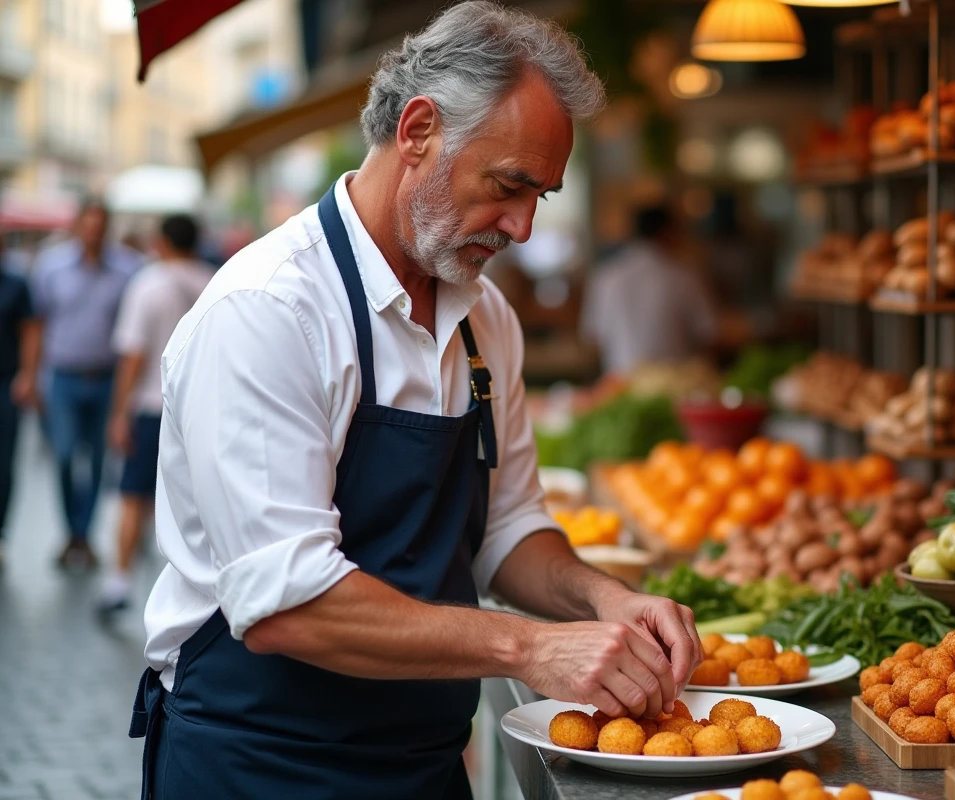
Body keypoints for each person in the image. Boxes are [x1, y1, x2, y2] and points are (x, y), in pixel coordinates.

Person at [129, 4, 702, 799]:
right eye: (509, 186)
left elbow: (507, 531)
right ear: (419, 130)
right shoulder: (268, 310)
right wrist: (529, 649)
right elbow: (287, 606)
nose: (525, 227)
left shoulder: (484, 318)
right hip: (258, 764)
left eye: (542, 195)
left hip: (422, 766)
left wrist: (607, 597)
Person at [97, 215, 213, 613]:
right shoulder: (214, 280)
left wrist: (118, 413)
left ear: (161, 242)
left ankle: (119, 583)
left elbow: (132, 354)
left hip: (151, 406)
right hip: (202, 408)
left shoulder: (147, 284)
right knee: (198, 503)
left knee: (133, 495)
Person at [27, 201, 141, 568]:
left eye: (100, 226)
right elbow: (38, 324)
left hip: (105, 378)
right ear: (77, 226)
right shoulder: (51, 267)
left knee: (95, 460)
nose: (93, 232)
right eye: (87, 225)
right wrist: (33, 377)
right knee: (62, 454)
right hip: (62, 377)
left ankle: (83, 536)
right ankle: (70, 531)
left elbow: (132, 334)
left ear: (106, 229)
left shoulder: (127, 270)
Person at [580, 205, 718, 375]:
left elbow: (594, 339)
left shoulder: (606, 276)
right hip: (675, 385)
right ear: (668, 231)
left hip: (620, 385)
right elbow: (708, 335)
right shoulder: (683, 276)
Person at [0, 238, 38, 568]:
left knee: (3, 464)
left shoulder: (15, 284)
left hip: (4, 383)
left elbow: (30, 330)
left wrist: (27, 374)